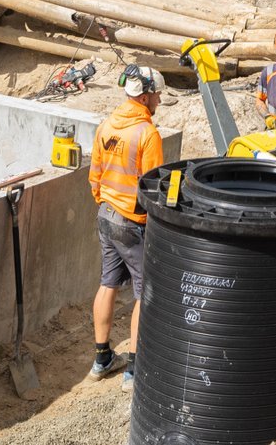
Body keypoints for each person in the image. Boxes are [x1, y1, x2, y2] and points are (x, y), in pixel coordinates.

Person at [89, 65, 167, 382]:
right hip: (131, 222)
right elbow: (152, 188)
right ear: (145, 96)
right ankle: (134, 370)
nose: (159, 101)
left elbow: (94, 176)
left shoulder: (107, 125)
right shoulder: (147, 134)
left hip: (105, 215)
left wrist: (106, 201)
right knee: (143, 293)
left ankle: (102, 359)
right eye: (158, 96)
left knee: (108, 284)